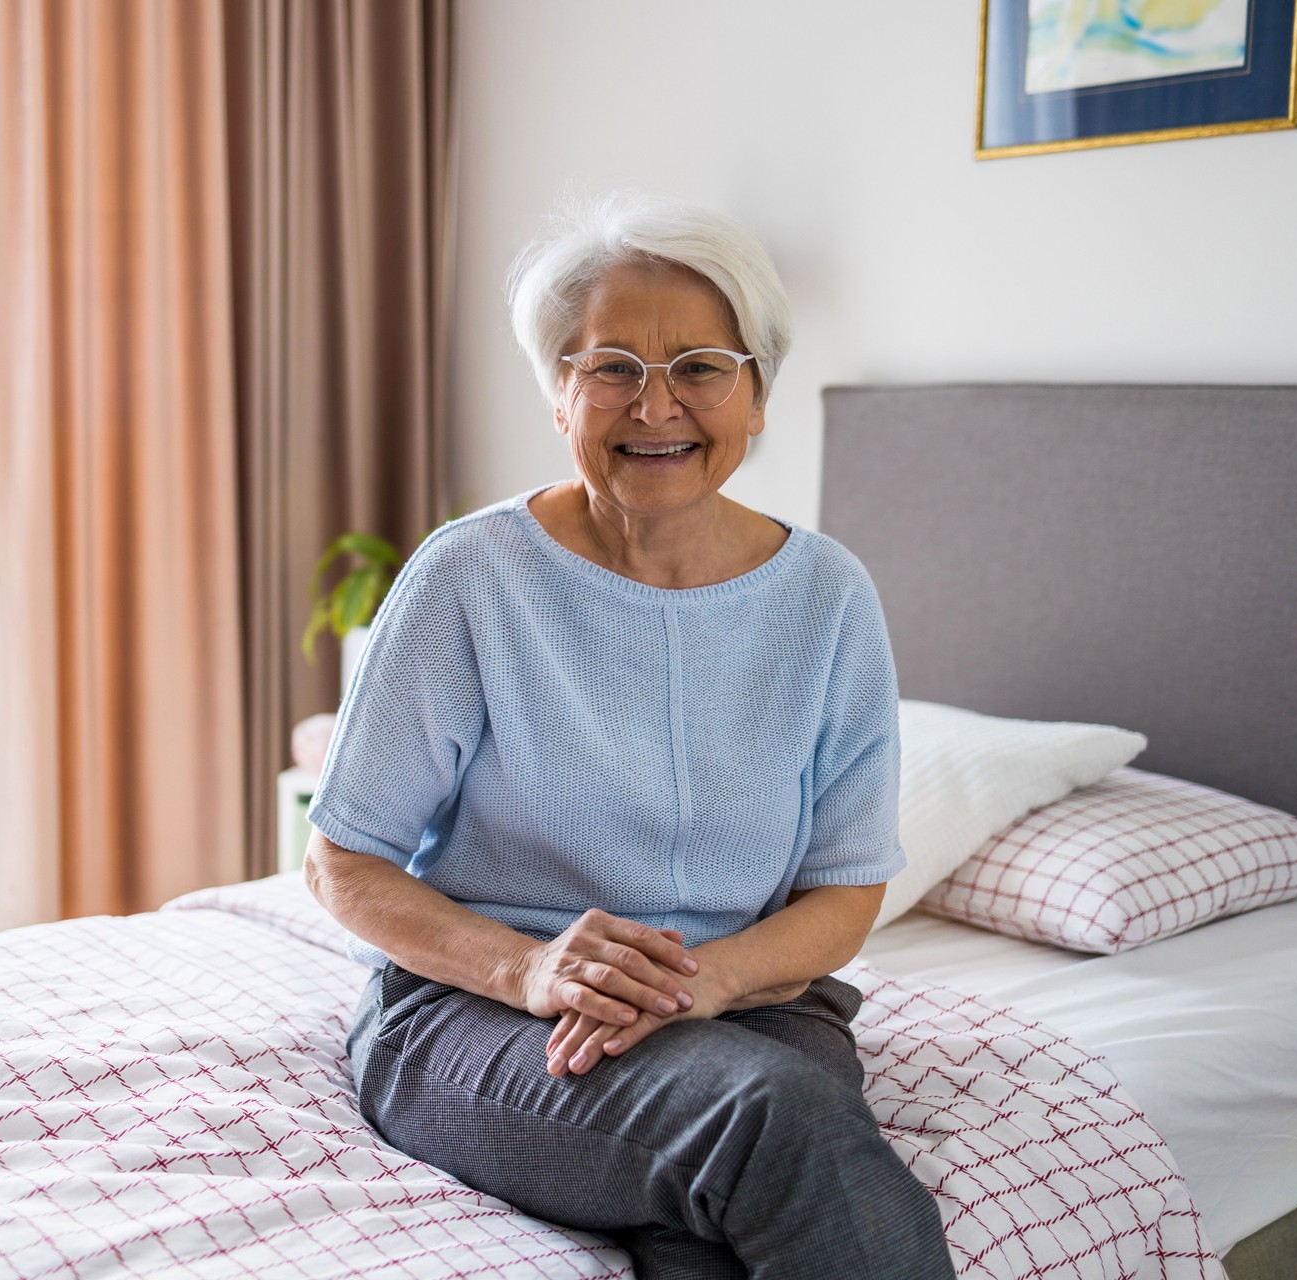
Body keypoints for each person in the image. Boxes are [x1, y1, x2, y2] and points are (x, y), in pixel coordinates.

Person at [303, 192, 955, 1280]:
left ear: (755, 396)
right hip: (476, 1014)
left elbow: (844, 890)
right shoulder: (472, 577)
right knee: (771, 1122)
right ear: (561, 394)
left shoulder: (828, 598)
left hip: (753, 1009)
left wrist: (704, 982)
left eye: (702, 365)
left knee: (713, 1218)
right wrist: (527, 964)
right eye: (612, 365)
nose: (658, 405)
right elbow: (342, 858)